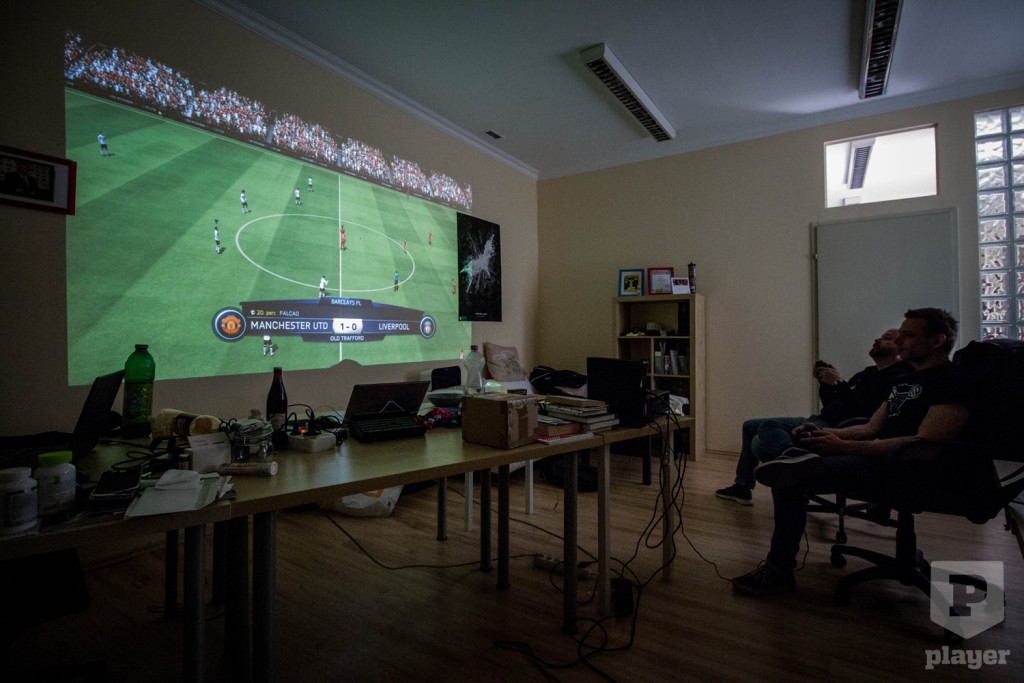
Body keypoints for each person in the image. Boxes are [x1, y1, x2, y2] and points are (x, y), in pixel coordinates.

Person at [732, 308, 973, 597]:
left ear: (937, 341)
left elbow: (924, 448)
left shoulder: (953, 380)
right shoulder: (905, 382)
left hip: (914, 472)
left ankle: (778, 571)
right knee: (788, 463)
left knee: (789, 477)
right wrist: (822, 434)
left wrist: (843, 446)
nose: (899, 341)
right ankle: (791, 459)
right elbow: (870, 427)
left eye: (908, 335)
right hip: (878, 457)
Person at [715, 329, 911, 505]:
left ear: (899, 349)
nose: (878, 339)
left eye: (887, 338)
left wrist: (839, 383)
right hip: (824, 418)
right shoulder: (867, 373)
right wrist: (825, 383)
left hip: (840, 428)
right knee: (750, 426)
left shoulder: (898, 377)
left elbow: (863, 410)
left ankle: (795, 461)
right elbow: (834, 404)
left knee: (765, 431)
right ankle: (742, 487)